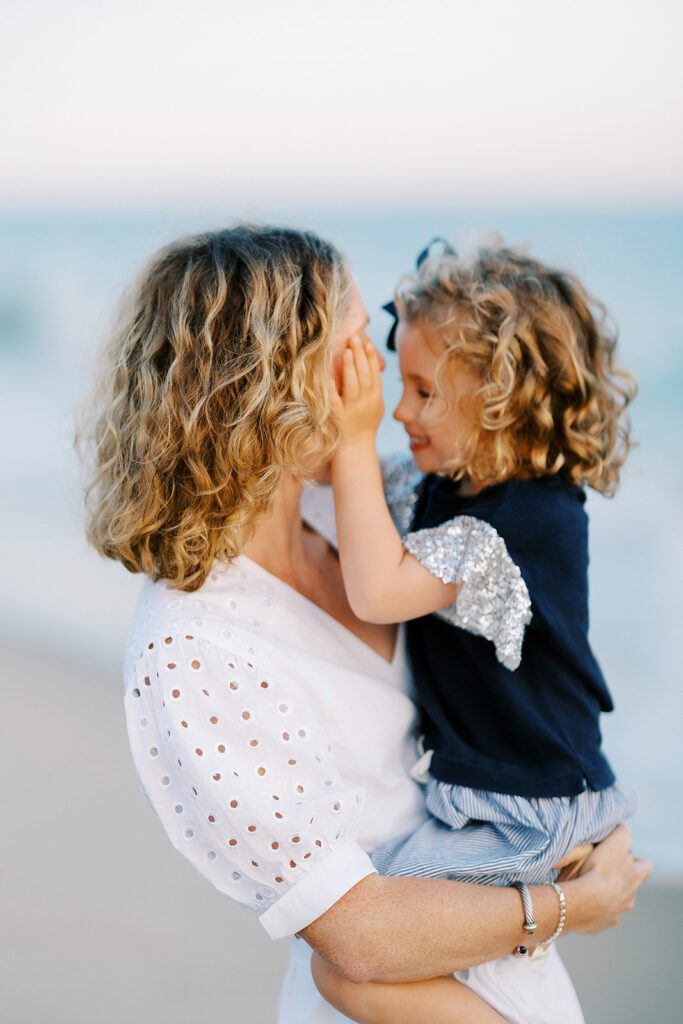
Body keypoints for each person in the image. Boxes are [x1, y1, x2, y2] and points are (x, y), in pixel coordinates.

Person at [79, 225, 649, 1024]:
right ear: (268, 380)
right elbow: (356, 939)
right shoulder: (190, 648)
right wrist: (563, 906)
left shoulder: (369, 509)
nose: (376, 371)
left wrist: (591, 821)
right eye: (352, 347)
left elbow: (533, 664)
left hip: (517, 974)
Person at [312, 238, 639, 1022]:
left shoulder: (529, 519)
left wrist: (357, 443)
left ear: (498, 400)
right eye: (398, 387)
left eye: (423, 391)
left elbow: (377, 588)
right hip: (492, 795)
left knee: (350, 963)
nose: (398, 412)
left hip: (528, 807)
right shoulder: (441, 485)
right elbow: (331, 482)